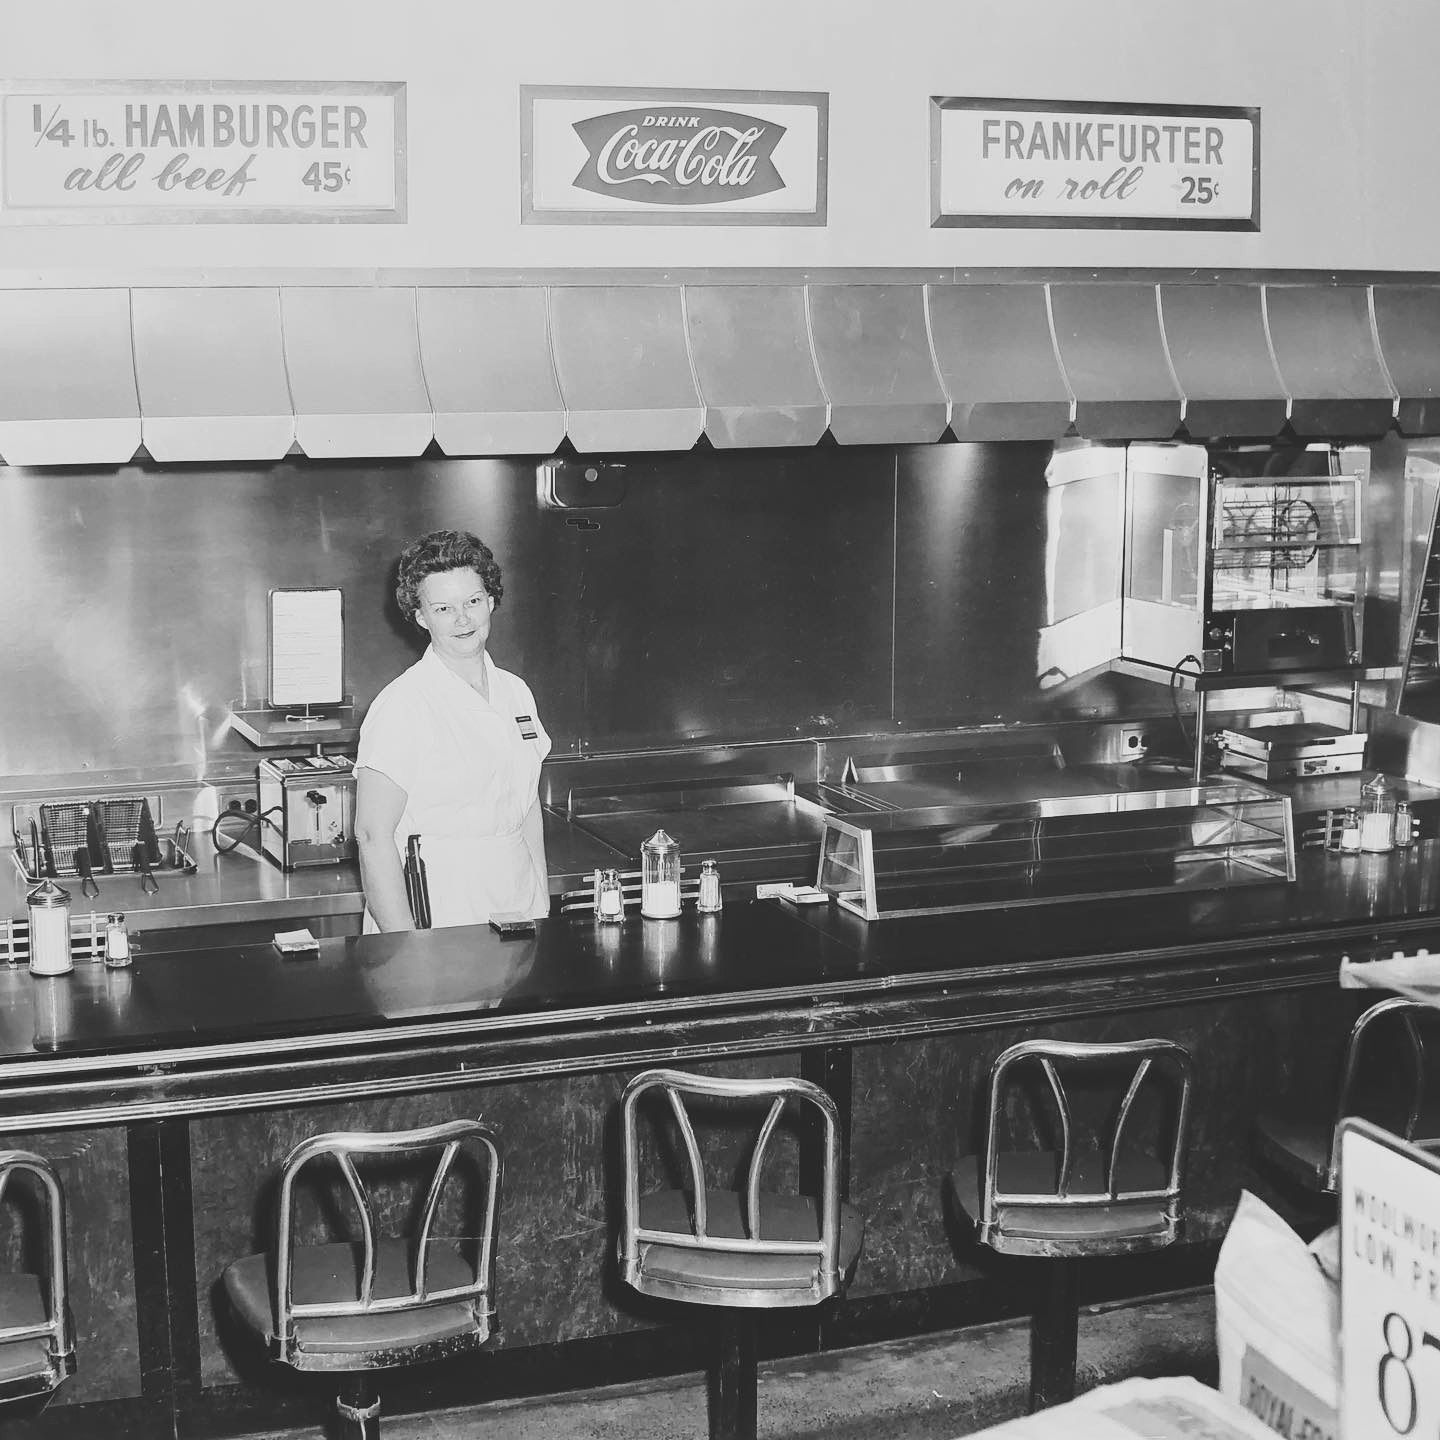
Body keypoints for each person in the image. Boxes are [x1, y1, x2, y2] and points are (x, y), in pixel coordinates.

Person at [354, 530, 551, 931]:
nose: (463, 619)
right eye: (443, 608)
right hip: (437, 908)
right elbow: (373, 836)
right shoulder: (403, 704)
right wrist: (404, 947)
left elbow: (528, 808)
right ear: (421, 617)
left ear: (491, 601)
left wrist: (542, 904)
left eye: (473, 602)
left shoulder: (515, 691)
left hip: (518, 902)